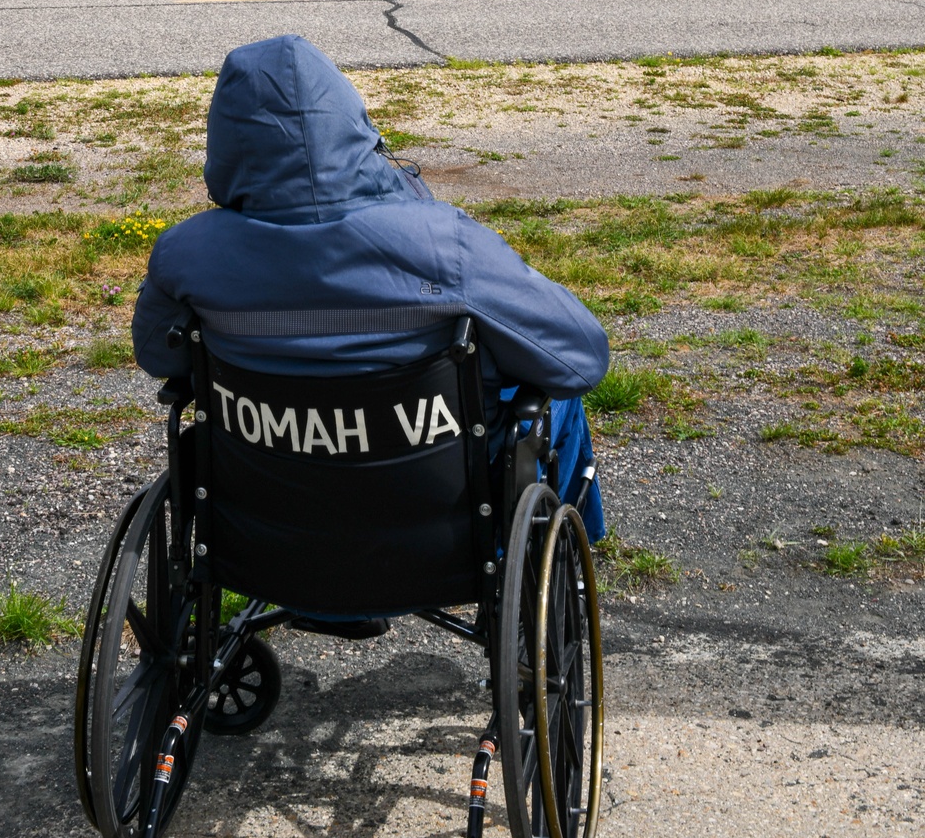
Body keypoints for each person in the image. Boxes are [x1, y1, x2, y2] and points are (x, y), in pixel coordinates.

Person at [132, 35, 609, 541]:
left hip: (266, 533)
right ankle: (578, 571)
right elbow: (582, 358)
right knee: (558, 397)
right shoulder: (443, 243)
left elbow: (158, 356)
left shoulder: (185, 254)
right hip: (435, 534)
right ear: (349, 126)